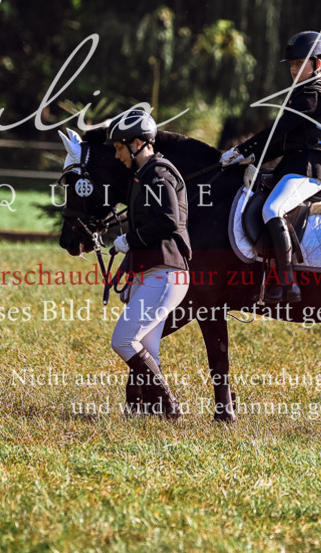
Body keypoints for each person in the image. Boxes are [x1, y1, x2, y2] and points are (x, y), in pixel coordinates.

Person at [221, 31, 321, 304]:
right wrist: (250, 159)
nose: (294, 69)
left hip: (310, 169)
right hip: (293, 165)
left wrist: (242, 149)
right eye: (292, 64)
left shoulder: (313, 94)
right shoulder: (302, 94)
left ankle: (287, 283)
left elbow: (277, 130)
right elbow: (283, 141)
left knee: (272, 209)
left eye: (300, 63)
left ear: (318, 64)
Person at [107, 109, 191, 418]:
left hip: (166, 273)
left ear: (138, 142)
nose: (118, 155)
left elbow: (169, 220)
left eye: (119, 147)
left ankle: (168, 404)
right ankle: (142, 411)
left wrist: (130, 240)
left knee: (123, 340)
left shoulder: (159, 173)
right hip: (152, 272)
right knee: (146, 348)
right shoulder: (143, 175)